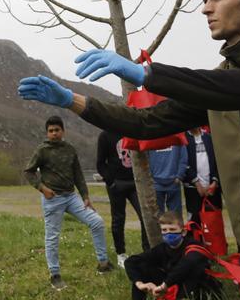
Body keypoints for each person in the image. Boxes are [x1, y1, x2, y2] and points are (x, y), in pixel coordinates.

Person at [17, 0, 240, 297]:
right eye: (204, 0)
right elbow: (148, 122)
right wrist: (73, 101)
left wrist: (149, 74)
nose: (205, 9)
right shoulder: (224, 78)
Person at [24, 116, 113, 291]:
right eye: (50, 131)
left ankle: (103, 263)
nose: (54, 133)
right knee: (52, 237)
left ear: (63, 131)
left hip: (72, 197)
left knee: (97, 222)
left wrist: (85, 196)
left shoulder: (70, 149)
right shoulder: (42, 150)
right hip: (52, 199)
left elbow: (78, 174)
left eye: (57, 130)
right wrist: (42, 188)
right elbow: (29, 171)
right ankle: (55, 274)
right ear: (47, 133)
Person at [125, 211, 221, 300]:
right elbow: (131, 261)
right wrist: (140, 284)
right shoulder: (162, 248)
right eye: (164, 230)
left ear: (183, 232)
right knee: (142, 266)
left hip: (195, 286)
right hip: (172, 284)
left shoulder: (194, 246)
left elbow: (187, 264)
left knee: (193, 271)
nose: (168, 233)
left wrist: (164, 285)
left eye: (172, 229)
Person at [96, 130, 150, 266]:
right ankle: (121, 253)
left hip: (135, 183)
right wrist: (111, 182)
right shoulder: (105, 135)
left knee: (144, 215)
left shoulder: (132, 131)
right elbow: (100, 163)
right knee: (118, 219)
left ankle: (147, 251)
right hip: (116, 184)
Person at [183, 127, 222, 227]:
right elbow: (183, 163)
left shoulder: (209, 138)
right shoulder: (183, 139)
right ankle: (197, 242)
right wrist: (197, 184)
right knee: (195, 221)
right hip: (193, 188)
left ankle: (215, 242)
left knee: (214, 221)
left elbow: (218, 161)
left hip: (212, 188)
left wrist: (214, 182)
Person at [148, 144, 187, 215]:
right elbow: (144, 157)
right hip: (155, 183)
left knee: (175, 217)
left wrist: (179, 176)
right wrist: (149, 178)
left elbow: (183, 157)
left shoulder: (176, 135)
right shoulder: (150, 136)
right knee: (158, 217)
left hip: (174, 182)